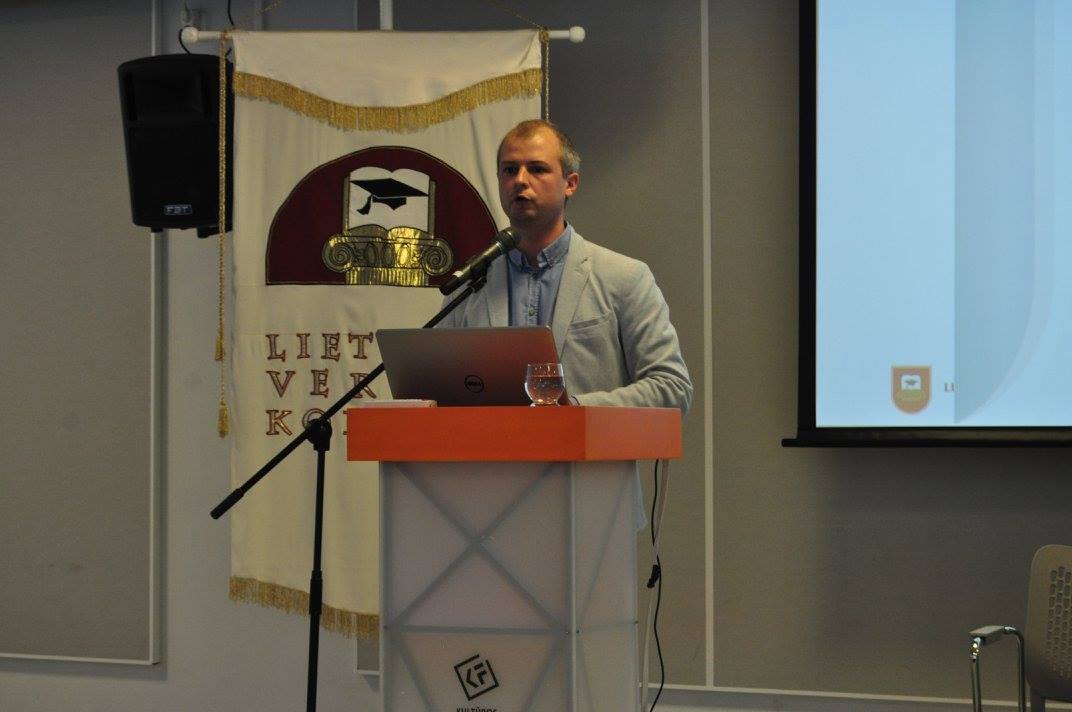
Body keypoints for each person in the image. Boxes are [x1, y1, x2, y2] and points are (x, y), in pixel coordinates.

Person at [441, 119, 692, 412]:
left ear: (570, 184)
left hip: (588, 442)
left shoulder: (625, 278)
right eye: (509, 170)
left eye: (537, 169)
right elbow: (440, 389)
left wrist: (573, 410)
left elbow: (672, 388)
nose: (520, 180)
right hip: (493, 443)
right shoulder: (470, 284)